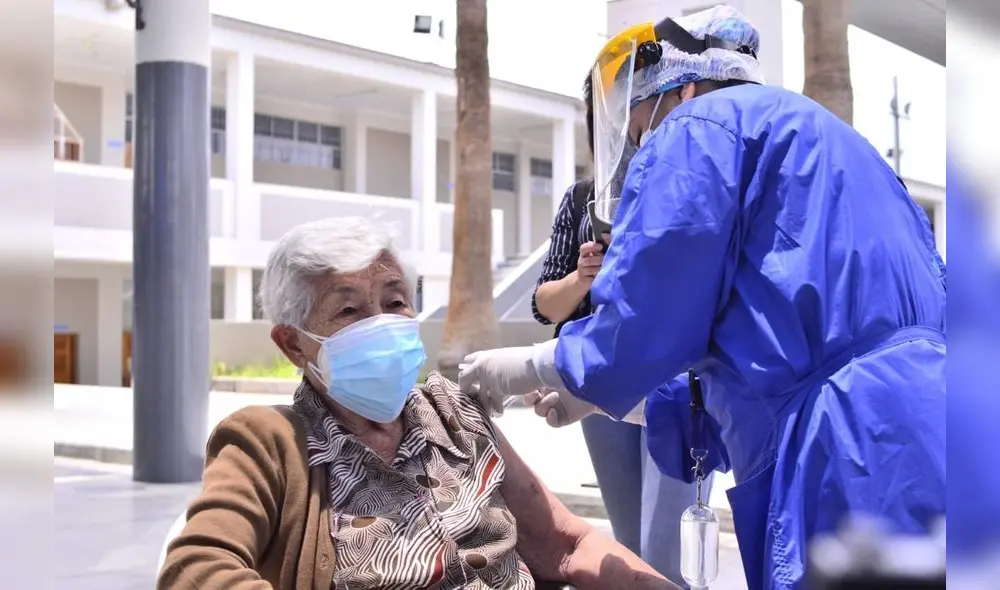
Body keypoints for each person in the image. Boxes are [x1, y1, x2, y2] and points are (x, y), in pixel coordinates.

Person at [458, 5, 946, 589]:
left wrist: (535, 365)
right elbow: (761, 330)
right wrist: (634, 402)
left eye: (636, 123)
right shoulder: (833, 141)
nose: (637, 142)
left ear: (681, 88)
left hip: (844, 453)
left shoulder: (699, 127)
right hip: (935, 426)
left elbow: (649, 314)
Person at [157, 217, 678, 590]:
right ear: (293, 344)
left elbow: (567, 544)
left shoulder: (453, 412)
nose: (382, 324)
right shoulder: (268, 443)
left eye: (394, 301)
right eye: (349, 310)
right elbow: (196, 564)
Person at [531, 72, 710, 583]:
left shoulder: (693, 187)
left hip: (675, 383)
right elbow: (546, 305)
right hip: (603, 382)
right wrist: (583, 277)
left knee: (664, 550)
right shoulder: (586, 198)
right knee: (628, 547)